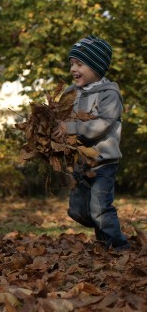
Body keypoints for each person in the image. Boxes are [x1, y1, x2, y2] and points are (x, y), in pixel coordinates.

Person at [53, 35, 130, 252]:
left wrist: (73, 128)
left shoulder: (109, 94)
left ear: (97, 67)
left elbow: (103, 124)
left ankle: (119, 248)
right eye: (71, 64)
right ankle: (104, 233)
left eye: (79, 64)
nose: (73, 69)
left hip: (103, 162)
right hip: (81, 163)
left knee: (100, 208)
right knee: (77, 211)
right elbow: (62, 119)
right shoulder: (70, 93)